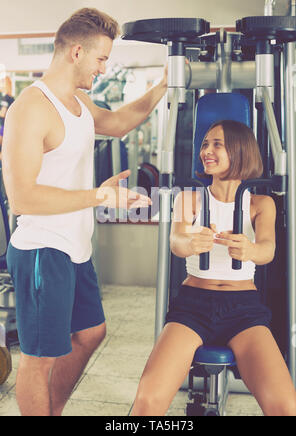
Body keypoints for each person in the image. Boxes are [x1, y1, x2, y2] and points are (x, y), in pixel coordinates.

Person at [1, 8, 167, 416]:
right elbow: (22, 197)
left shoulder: (77, 101)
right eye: (100, 59)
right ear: (77, 52)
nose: (104, 68)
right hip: (43, 250)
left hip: (74, 248)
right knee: (39, 359)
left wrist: (166, 84)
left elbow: (118, 122)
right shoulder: (30, 108)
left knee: (92, 333)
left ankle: (50, 409)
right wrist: (98, 197)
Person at [131, 120, 296, 417]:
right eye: (205, 144)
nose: (206, 151)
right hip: (192, 306)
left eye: (217, 144)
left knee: (286, 407)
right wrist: (191, 243)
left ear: (240, 150)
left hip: (243, 309)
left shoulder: (261, 203)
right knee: (147, 402)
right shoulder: (189, 198)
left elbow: (268, 250)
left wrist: (250, 250)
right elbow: (176, 241)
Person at [0, 76, 14, 153]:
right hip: (8, 126)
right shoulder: (11, 97)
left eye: (2, 83)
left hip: (3, 126)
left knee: (3, 150)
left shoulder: (5, 98)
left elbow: (3, 113)